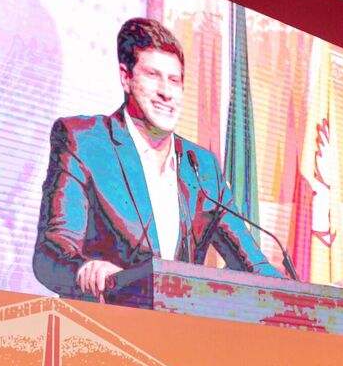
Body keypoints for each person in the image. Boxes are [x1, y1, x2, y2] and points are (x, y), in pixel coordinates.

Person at [32, 17, 282, 300]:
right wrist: (85, 269)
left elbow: (253, 264)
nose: (166, 91)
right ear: (126, 77)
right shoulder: (84, 141)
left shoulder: (202, 167)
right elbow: (50, 252)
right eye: (153, 75)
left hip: (180, 334)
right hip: (104, 329)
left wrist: (303, 294)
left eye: (174, 80)